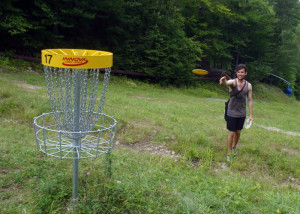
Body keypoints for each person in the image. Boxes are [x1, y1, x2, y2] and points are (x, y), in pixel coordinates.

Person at [219, 64, 253, 162]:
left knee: (238, 132)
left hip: (242, 112)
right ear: (236, 73)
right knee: (232, 132)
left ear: (245, 73)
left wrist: (251, 115)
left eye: (242, 72)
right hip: (231, 112)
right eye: (238, 72)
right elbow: (227, 83)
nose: (240, 74)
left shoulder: (249, 85)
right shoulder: (233, 82)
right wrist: (223, 81)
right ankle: (229, 153)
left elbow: (250, 100)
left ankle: (234, 147)